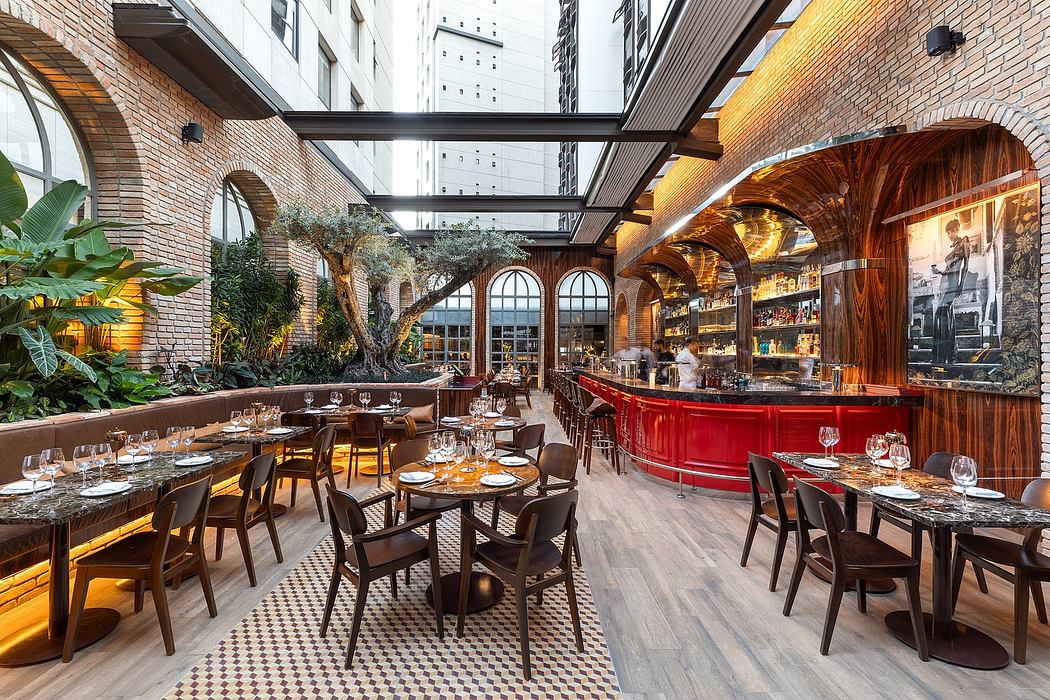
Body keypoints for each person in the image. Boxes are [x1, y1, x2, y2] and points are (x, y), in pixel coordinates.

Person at [930, 218, 970, 365]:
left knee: (941, 317)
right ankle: (946, 356)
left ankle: (946, 356)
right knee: (946, 318)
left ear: (958, 229)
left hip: (953, 285)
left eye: (952, 231)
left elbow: (965, 266)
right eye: (948, 233)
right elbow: (948, 270)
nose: (950, 234)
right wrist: (938, 271)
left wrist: (961, 285)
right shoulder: (954, 247)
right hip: (945, 284)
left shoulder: (964, 241)